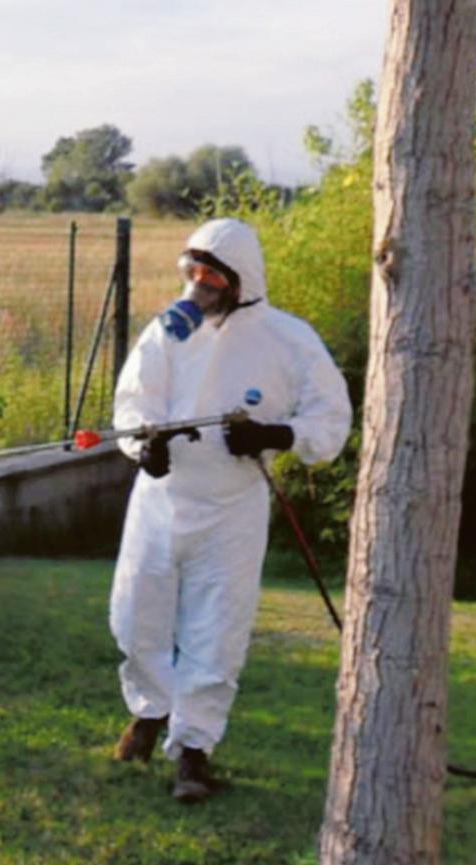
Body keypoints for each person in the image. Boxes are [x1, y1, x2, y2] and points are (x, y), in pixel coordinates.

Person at [108, 217, 352, 803]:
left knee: (215, 632)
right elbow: (133, 403)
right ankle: (149, 711)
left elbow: (330, 421)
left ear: (242, 279)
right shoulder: (167, 332)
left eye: (212, 274)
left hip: (231, 509)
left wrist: (277, 434)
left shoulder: (289, 339)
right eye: (192, 272)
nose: (200, 284)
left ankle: (194, 750)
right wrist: (144, 447)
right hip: (160, 502)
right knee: (136, 615)